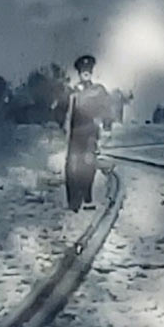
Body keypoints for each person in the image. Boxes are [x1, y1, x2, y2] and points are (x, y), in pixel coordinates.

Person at [64, 54, 110, 213]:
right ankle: (73, 202)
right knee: (72, 168)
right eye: (83, 70)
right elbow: (65, 112)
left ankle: (87, 197)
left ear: (91, 72)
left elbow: (106, 109)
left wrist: (104, 123)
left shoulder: (98, 91)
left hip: (90, 134)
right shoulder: (72, 92)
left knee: (89, 166)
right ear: (79, 73)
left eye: (88, 70)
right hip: (75, 136)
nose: (86, 73)